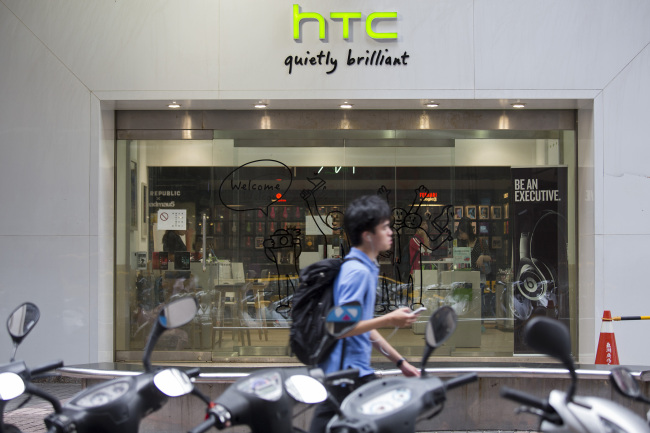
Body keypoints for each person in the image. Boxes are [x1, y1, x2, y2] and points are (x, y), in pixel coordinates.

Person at [309, 195, 421, 433]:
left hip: (351, 374)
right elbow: (338, 327)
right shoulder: (357, 272)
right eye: (384, 227)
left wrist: (400, 362)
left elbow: (361, 327)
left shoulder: (363, 268)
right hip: (347, 376)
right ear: (368, 236)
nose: (391, 232)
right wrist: (390, 319)